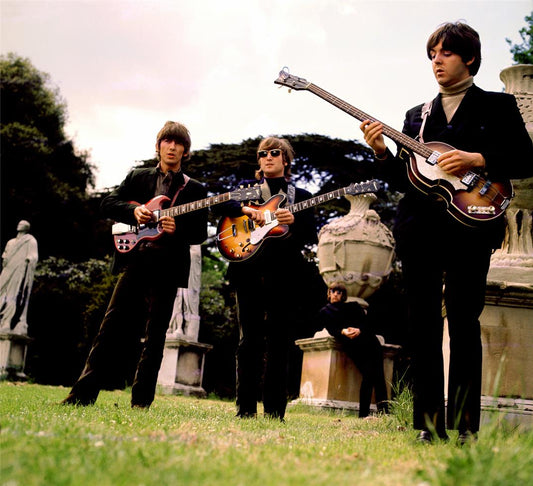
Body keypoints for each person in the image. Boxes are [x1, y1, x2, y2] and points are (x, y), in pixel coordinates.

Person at [360, 22, 533, 444]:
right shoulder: (415, 117)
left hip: (471, 231)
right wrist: (382, 152)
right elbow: (406, 179)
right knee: (421, 326)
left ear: (469, 58)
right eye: (432, 54)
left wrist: (478, 157)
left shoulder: (498, 106)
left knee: (463, 321)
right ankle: (428, 424)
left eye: (445, 53)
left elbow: (525, 160)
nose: (436, 60)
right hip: (418, 230)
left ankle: (466, 426)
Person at [62, 121, 208, 409]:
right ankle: (81, 395)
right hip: (136, 261)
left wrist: (176, 227)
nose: (172, 147)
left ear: (185, 152)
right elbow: (108, 204)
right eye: (167, 141)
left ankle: (141, 403)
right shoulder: (138, 177)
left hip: (168, 266)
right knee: (110, 327)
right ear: (159, 146)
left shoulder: (195, 189)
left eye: (179, 143)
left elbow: (200, 234)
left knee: (155, 337)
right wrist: (134, 211)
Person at [217, 137, 319, 420]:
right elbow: (217, 206)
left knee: (279, 343)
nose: (269, 157)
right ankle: (245, 409)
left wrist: (294, 222)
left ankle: (275, 412)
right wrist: (247, 210)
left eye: (275, 153)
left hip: (285, 275)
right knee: (248, 341)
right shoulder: (245, 192)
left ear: (286, 159)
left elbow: (310, 235)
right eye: (263, 154)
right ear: (259, 161)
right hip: (247, 272)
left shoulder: (302, 196)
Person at [319, 282, 389, 418]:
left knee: (379, 377)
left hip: (370, 342)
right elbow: (331, 329)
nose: (335, 294)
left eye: (339, 292)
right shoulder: (325, 312)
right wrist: (343, 331)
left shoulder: (353, 307)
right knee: (368, 374)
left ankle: (384, 413)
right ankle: (363, 415)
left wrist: (359, 329)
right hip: (354, 346)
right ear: (329, 293)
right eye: (333, 291)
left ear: (343, 295)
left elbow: (367, 323)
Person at [0, 220, 39, 335]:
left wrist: (28, 260)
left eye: (22, 224)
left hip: (18, 272)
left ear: (27, 227)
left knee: (13, 294)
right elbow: (5, 256)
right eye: (19, 223)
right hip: (7, 271)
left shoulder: (30, 241)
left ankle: (7, 321)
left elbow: (34, 256)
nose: (19, 225)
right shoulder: (11, 242)